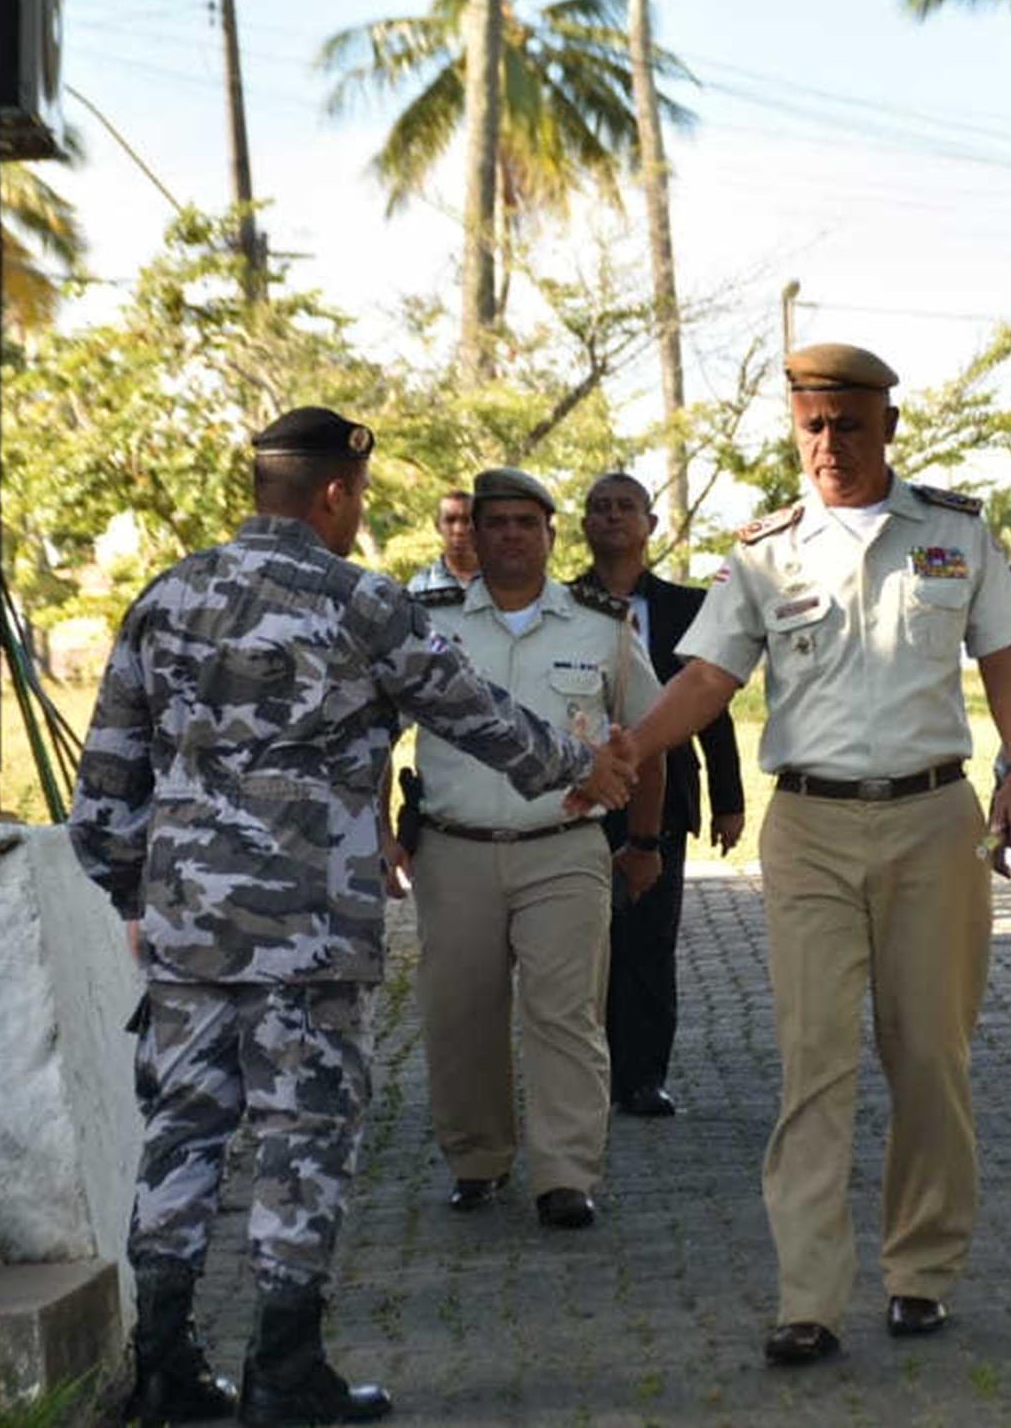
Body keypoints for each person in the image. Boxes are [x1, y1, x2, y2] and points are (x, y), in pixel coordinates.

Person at [70, 409, 636, 1427]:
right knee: (301, 1137)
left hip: (190, 930)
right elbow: (476, 716)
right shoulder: (360, 603)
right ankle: (284, 1376)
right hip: (310, 935)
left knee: (183, 1136)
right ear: (333, 494)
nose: (358, 512)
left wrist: (137, 897)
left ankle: (162, 1369)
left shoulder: (167, 597)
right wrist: (577, 766)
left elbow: (105, 793)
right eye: (358, 497)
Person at [620, 342, 1011, 1368]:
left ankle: (922, 1272)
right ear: (794, 427)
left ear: (888, 425)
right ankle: (806, 1298)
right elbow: (710, 679)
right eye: (811, 423)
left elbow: (1005, 661)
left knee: (930, 1057)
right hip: (807, 826)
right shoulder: (764, 551)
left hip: (934, 819)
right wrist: (628, 748)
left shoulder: (953, 533)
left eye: (848, 422)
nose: (828, 442)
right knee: (814, 1064)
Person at [405, 468, 667, 1232]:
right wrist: (381, 831)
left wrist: (644, 842)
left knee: (566, 1014)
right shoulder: (430, 623)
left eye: (528, 522)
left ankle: (566, 1174)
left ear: (553, 535)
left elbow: (645, 738)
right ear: (471, 534)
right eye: (497, 523)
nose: (512, 535)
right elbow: (369, 731)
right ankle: (477, 1160)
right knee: (460, 1014)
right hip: (455, 848)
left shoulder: (600, 623)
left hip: (563, 845)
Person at [576, 471, 748, 1119]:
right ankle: (587, 1073)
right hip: (581, 800)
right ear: (584, 526)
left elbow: (716, 709)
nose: (612, 517)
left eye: (625, 507)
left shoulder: (686, 606)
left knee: (649, 940)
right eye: (599, 508)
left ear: (650, 525)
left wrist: (729, 801)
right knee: (587, 945)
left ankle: (643, 1077)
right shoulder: (562, 605)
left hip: (664, 799)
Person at [406, 488, 480, 593]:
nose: (458, 530)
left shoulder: (502, 579)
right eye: (450, 520)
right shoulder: (420, 586)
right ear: (438, 526)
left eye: (467, 520)